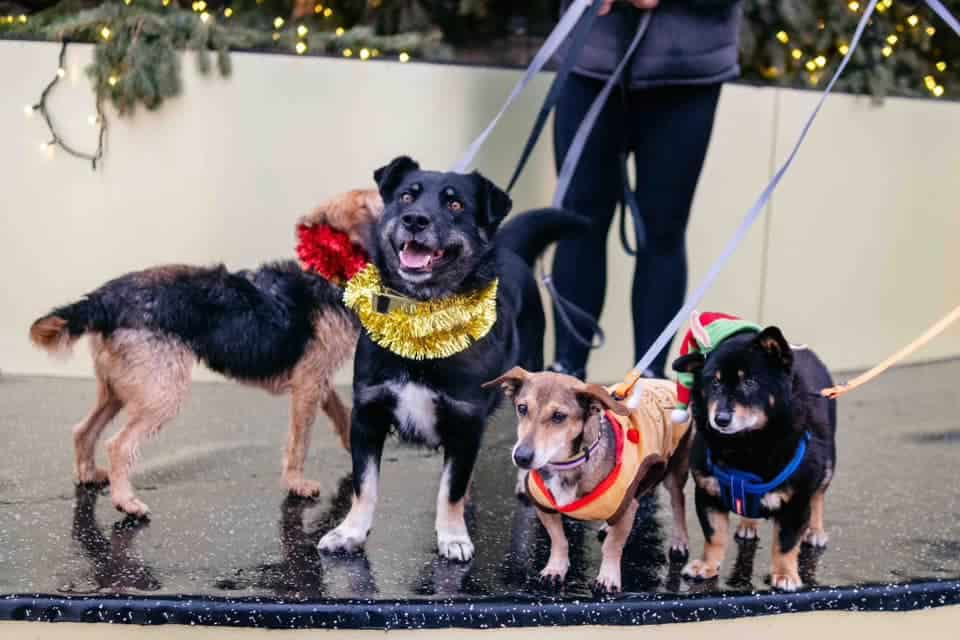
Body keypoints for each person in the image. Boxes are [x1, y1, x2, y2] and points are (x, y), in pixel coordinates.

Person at [548, 0, 743, 380]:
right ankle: (565, 377)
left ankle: (649, 383)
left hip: (688, 71)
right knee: (576, 224)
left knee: (663, 231)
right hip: (589, 58)